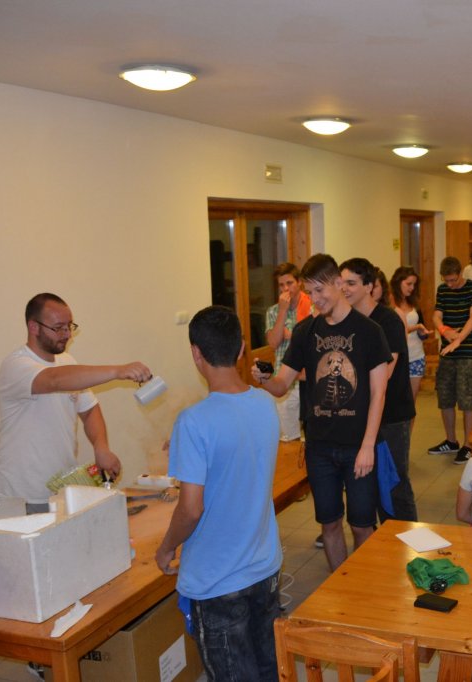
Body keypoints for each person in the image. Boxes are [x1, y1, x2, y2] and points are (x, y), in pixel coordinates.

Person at [155, 306, 282, 681]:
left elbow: (191, 509)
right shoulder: (265, 403)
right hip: (264, 566)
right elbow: (239, 458)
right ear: (242, 348)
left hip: (217, 579)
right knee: (268, 669)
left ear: (196, 353)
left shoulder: (193, 421)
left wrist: (166, 548)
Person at [254, 254, 391, 571]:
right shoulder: (306, 331)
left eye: (320, 290)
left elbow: (378, 393)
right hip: (319, 448)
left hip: (358, 445)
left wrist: (368, 446)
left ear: (339, 283)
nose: (315, 299)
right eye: (309, 292)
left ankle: (365, 585)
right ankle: (341, 584)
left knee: (362, 525)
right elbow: (281, 385)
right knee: (329, 524)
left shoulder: (369, 331)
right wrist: (264, 379)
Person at [0, 293, 151, 514]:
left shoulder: (67, 361)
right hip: (22, 495)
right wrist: (118, 371)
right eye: (58, 328)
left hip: (61, 491)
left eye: (69, 326)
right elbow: (54, 380)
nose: (67, 334)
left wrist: (101, 448)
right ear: (34, 327)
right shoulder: (16, 365)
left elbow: (89, 409)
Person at [340, 259, 418, 522]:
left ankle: (405, 537)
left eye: (351, 283)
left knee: (394, 483)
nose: (345, 289)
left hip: (392, 416)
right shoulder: (348, 321)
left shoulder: (388, 321)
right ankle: (377, 538)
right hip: (361, 415)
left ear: (369, 286)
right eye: (342, 283)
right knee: (366, 483)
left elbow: (386, 374)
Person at [428, 256, 472, 464]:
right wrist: (445, 331)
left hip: (468, 355)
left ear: (461, 273)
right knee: (445, 398)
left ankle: (469, 445)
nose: (450, 284)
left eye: (453, 280)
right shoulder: (443, 290)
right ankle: (451, 441)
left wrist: (458, 339)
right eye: (446, 280)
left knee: (468, 402)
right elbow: (436, 317)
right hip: (447, 354)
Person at [265, 263, 312, 442]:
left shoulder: (312, 307)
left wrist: (291, 335)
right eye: (281, 285)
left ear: (299, 282)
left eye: (290, 283)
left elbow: (314, 341)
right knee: (289, 437)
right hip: (284, 381)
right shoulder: (273, 311)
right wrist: (283, 312)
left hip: (308, 379)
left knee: (312, 433)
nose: (286, 289)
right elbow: (273, 342)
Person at [391, 266, 431, 403]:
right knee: (395, 401)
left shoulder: (414, 303)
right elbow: (393, 330)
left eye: (414, 284)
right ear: (398, 282)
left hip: (416, 356)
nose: (412, 288)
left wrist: (423, 333)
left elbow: (421, 326)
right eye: (408, 284)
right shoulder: (389, 303)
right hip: (396, 358)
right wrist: (415, 327)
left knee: (411, 402)